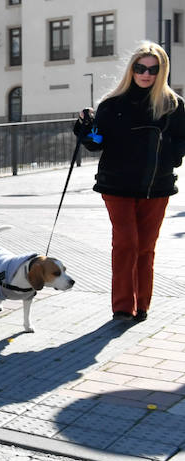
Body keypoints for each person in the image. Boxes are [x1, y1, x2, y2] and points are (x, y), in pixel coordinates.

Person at [74, 41, 185, 322]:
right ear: (132, 70)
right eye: (140, 68)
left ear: (162, 72)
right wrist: (85, 130)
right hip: (117, 187)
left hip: (155, 188)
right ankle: (123, 307)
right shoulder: (113, 105)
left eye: (153, 69)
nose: (146, 74)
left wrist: (171, 156)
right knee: (126, 243)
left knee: (146, 247)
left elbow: (183, 140)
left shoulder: (173, 105)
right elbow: (96, 143)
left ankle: (142, 305)